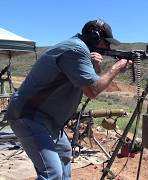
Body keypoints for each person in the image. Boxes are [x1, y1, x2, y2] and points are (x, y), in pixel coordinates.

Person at [5, 19, 130, 179]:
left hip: (48, 119)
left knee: (64, 156)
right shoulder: (76, 50)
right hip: (29, 115)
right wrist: (116, 69)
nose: (109, 48)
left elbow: (88, 85)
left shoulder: (79, 49)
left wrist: (96, 66)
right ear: (95, 37)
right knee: (52, 173)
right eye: (106, 43)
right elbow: (93, 90)